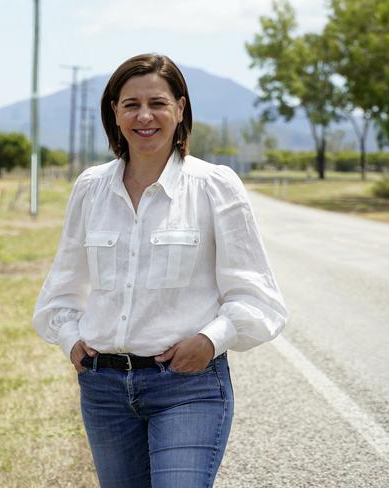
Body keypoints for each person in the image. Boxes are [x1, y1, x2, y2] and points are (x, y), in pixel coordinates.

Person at [33, 53, 287, 488]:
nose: (144, 115)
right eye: (131, 104)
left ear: (180, 109)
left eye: (158, 103)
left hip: (187, 386)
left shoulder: (214, 185)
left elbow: (257, 295)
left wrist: (211, 340)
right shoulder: (90, 188)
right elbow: (62, 286)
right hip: (105, 390)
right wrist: (69, 339)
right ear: (114, 111)